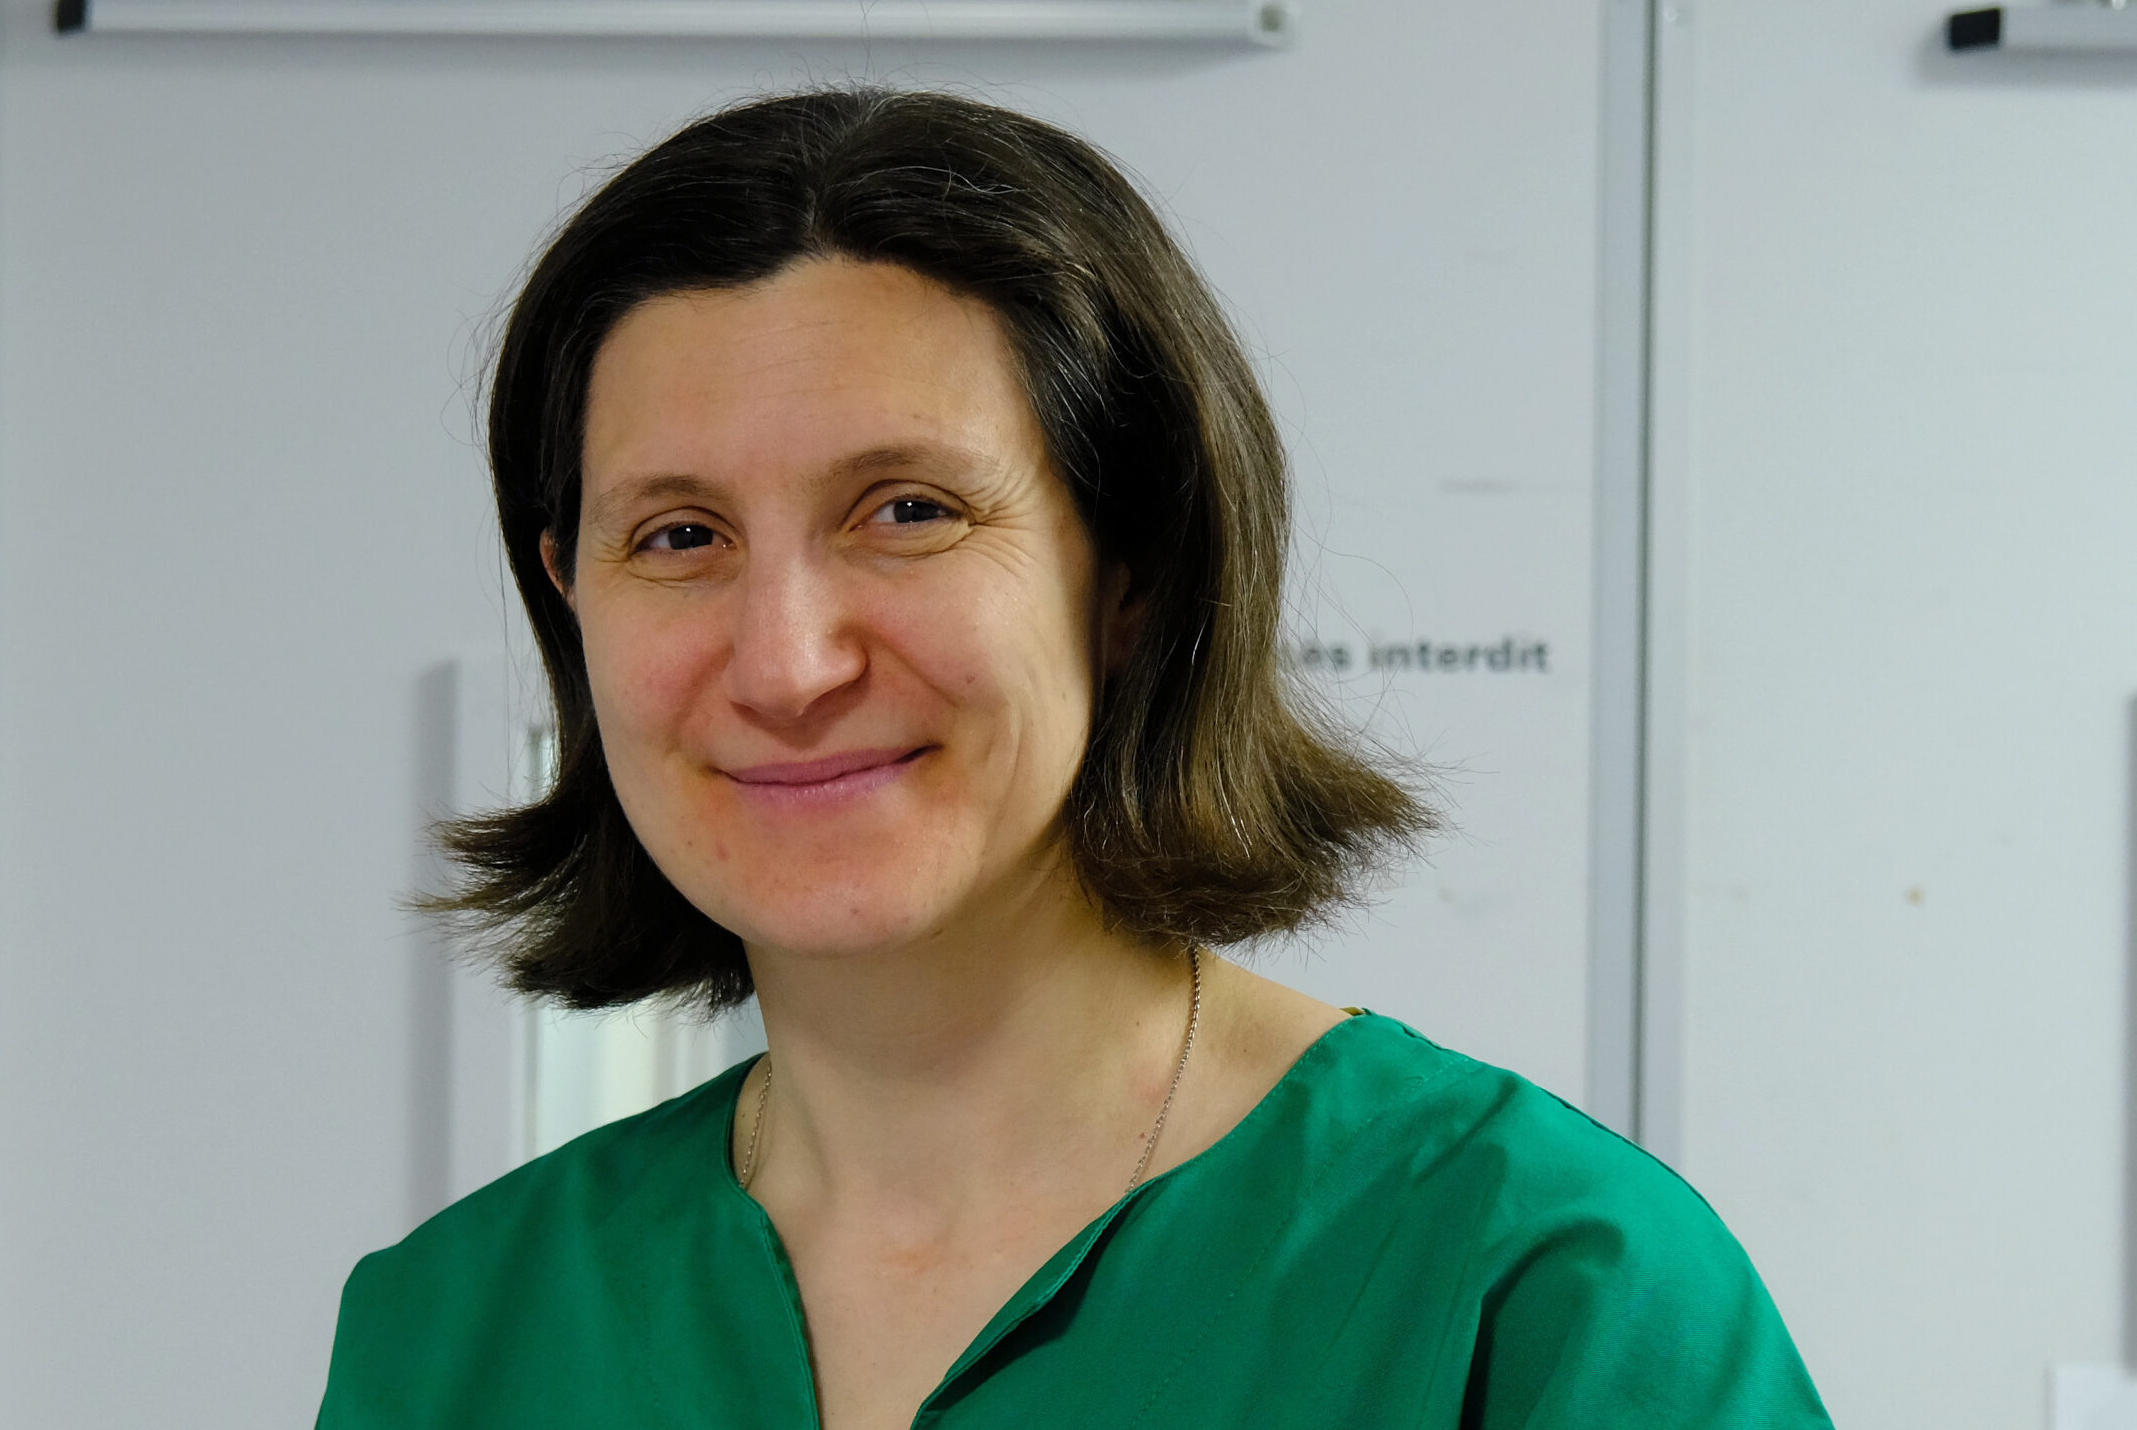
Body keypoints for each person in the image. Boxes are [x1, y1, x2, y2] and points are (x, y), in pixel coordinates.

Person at [315, 87, 1831, 1429]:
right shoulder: (453, 1333)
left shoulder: (1533, 1284)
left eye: (906, 511)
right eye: (678, 536)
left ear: (1133, 572)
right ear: (568, 595)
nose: (784, 663)